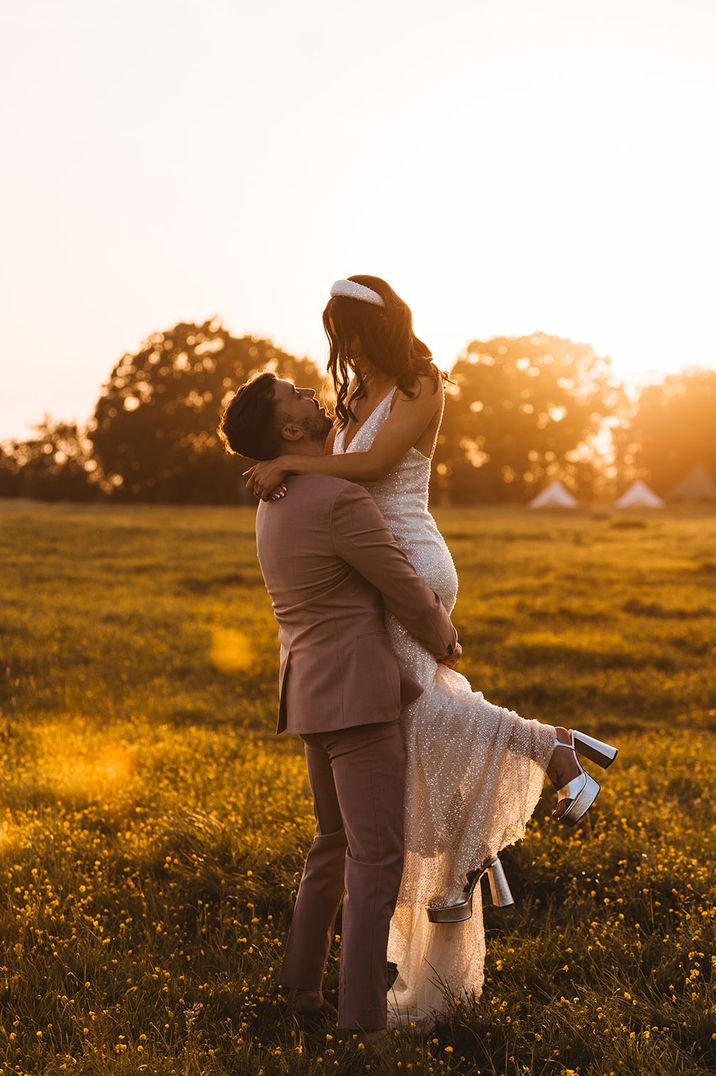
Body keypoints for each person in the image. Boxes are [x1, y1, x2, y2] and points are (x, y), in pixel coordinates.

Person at [242, 275, 619, 1029]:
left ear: (373, 328)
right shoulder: (353, 397)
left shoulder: (420, 383)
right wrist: (298, 467)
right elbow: (347, 467)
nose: (339, 348)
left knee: (410, 715)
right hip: (370, 561)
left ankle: (537, 762)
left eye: (347, 332)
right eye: (334, 335)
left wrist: (291, 466)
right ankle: (499, 814)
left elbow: (378, 468)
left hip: (407, 559)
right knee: (418, 719)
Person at [217, 371, 462, 1051]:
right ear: (290, 431)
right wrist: (443, 635)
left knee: (330, 842)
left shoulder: (276, 497)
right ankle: (364, 1025)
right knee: (376, 858)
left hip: (307, 692)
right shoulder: (336, 497)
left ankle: (301, 987)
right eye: (297, 396)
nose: (311, 395)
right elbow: (398, 579)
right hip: (358, 698)